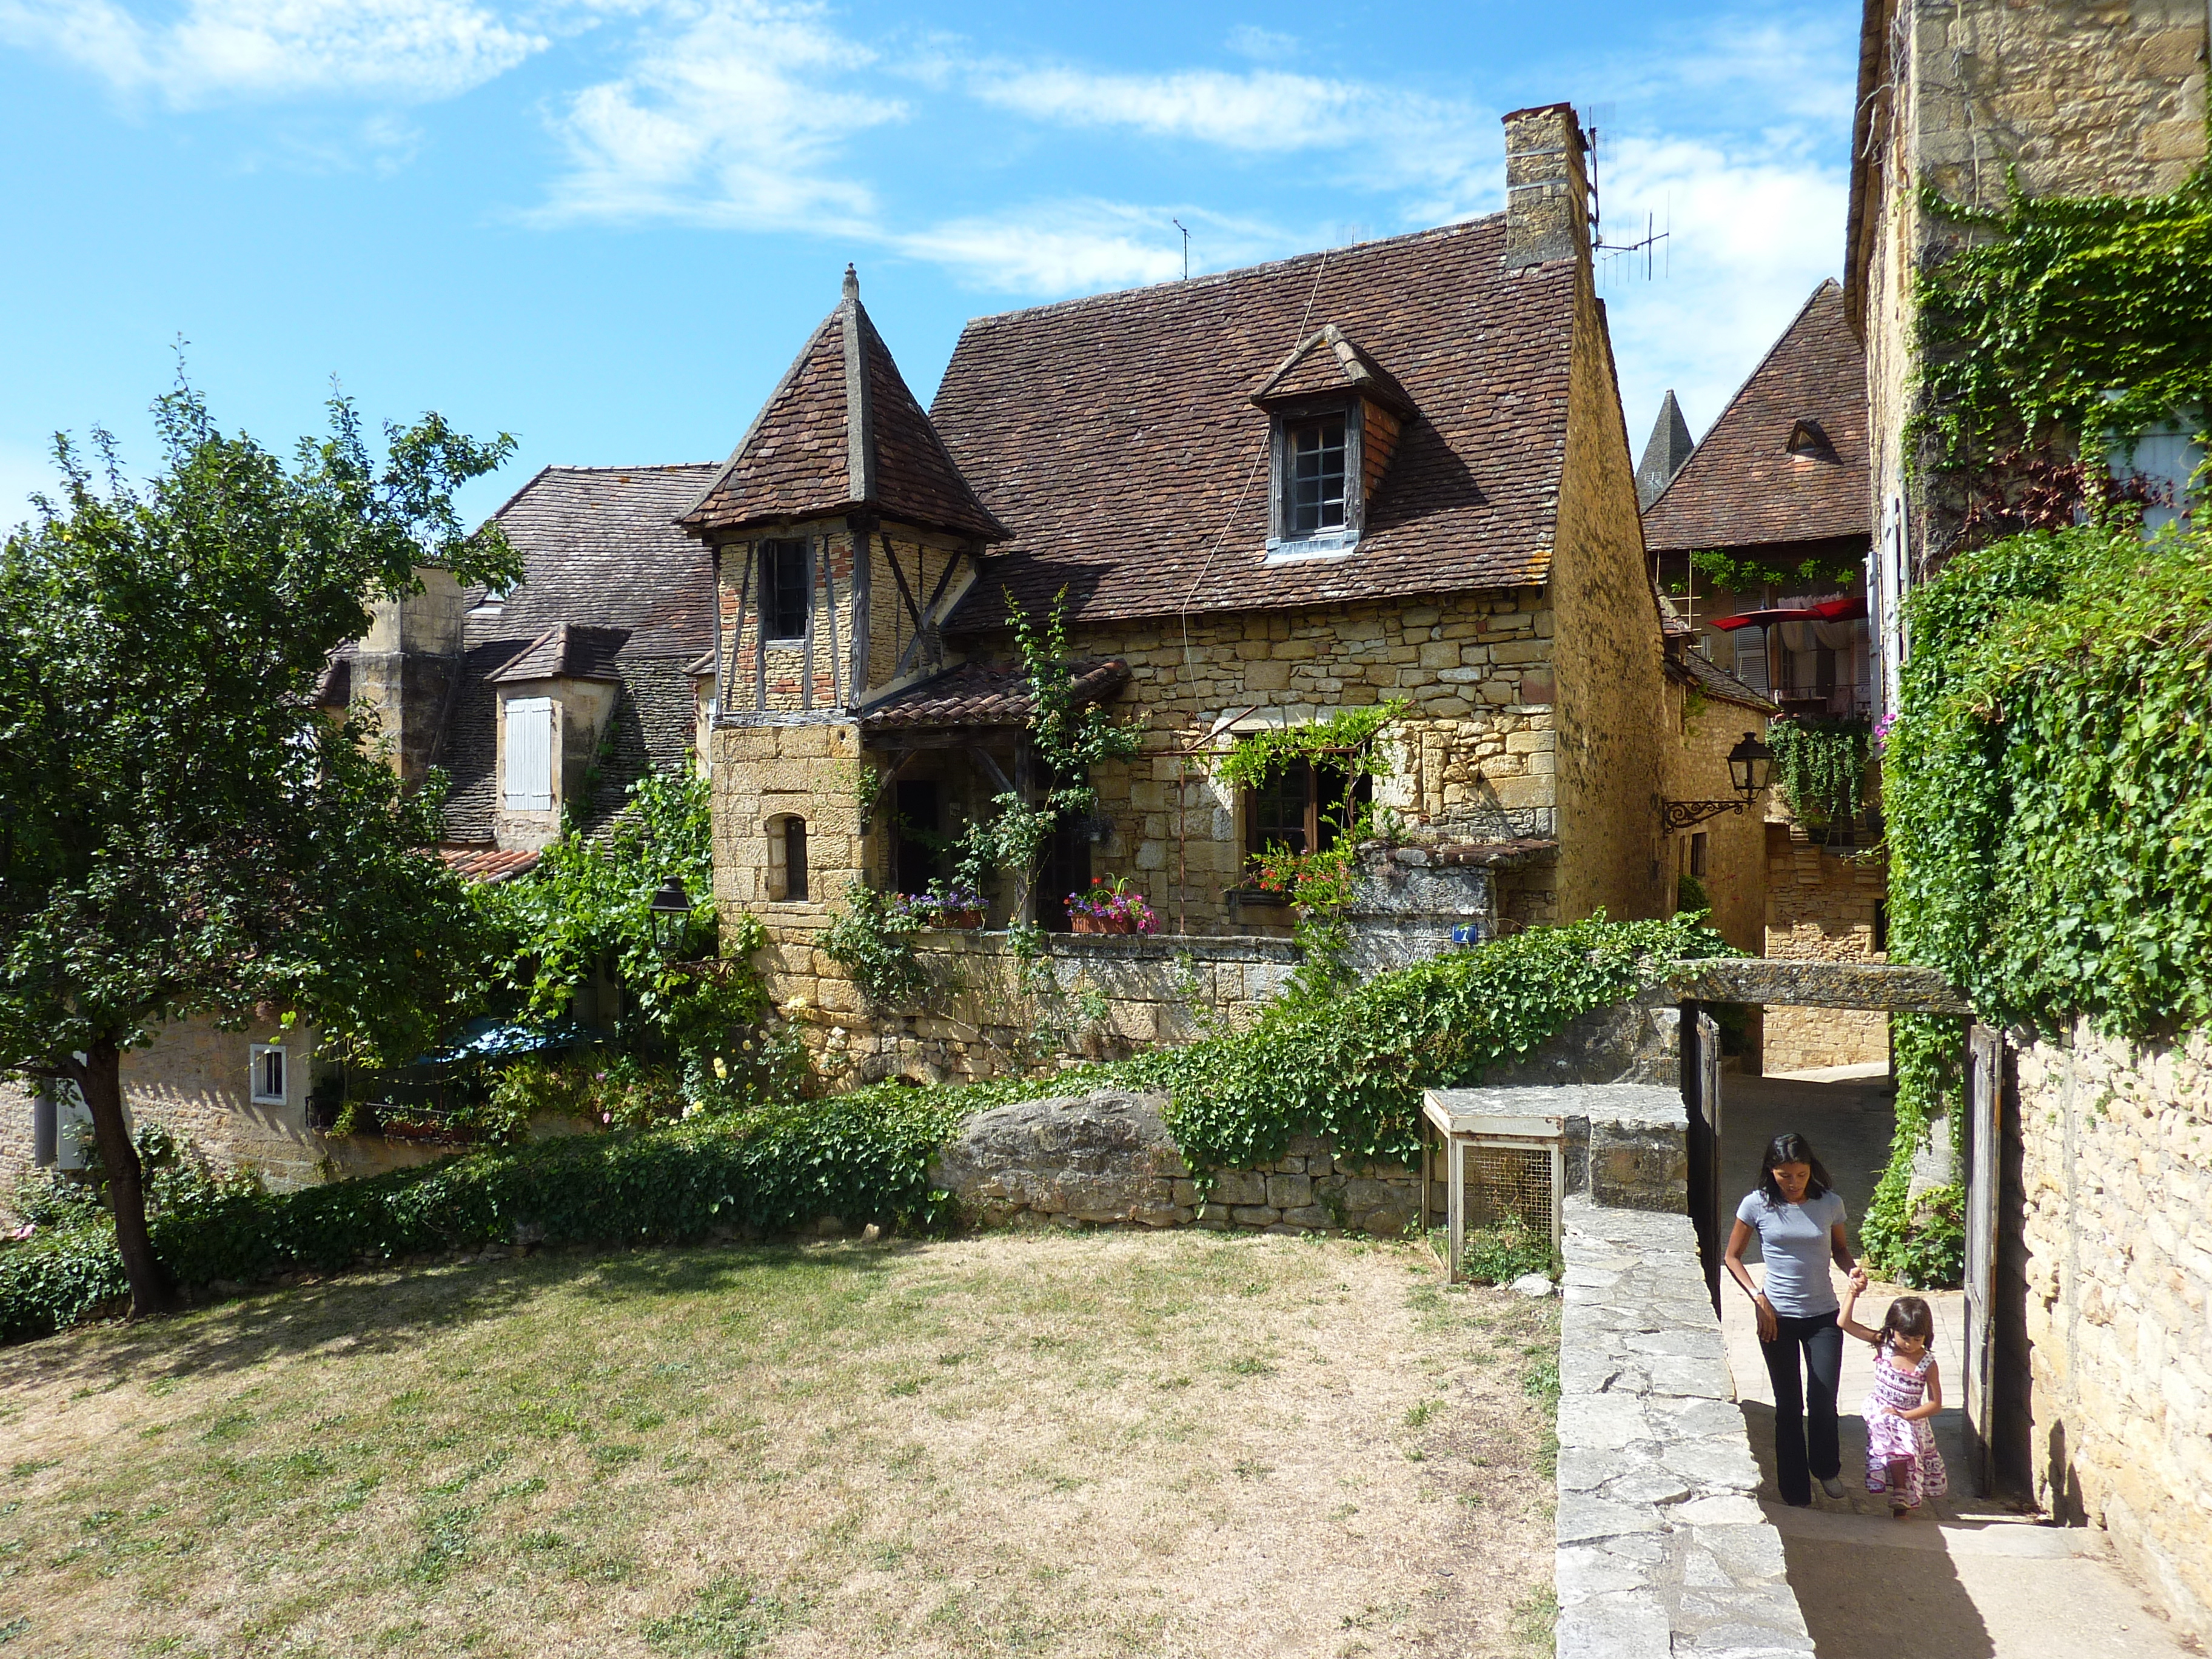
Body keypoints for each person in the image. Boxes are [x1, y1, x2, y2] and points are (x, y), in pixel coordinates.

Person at [1723, 1132, 1863, 1506]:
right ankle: (1795, 1489)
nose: (1794, 1183)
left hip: (1823, 1317)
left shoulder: (1830, 1203)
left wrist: (1852, 1272)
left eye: (1800, 1175)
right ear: (1772, 1171)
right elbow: (1732, 1257)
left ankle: (1826, 1469)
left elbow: (1840, 1249)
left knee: (1822, 1400)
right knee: (1788, 1406)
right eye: (1785, 1175)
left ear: (1810, 1170)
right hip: (1777, 1320)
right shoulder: (1756, 1205)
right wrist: (1758, 1297)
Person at [1840, 1283, 1949, 1517]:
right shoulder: (1884, 1345)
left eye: (1917, 1338)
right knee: (1895, 1453)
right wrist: (1853, 1293)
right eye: (1904, 1337)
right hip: (1883, 1413)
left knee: (1906, 1459)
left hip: (1910, 1419)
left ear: (1927, 1336)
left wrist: (1905, 1416)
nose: (1909, 1344)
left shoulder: (1927, 1364)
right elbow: (1844, 1323)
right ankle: (1899, 1493)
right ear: (1892, 1330)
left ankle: (1902, 1499)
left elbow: (1935, 1403)